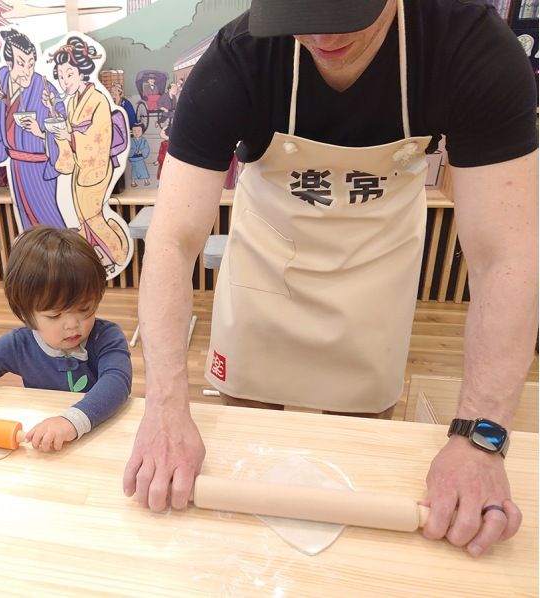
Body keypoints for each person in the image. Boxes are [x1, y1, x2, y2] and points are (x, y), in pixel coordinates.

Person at [123, 0, 538, 560]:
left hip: (375, 285)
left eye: (343, 11)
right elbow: (172, 242)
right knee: (245, 472)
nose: (319, 35)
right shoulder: (238, 58)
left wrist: (481, 439)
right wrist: (165, 406)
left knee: (365, 476)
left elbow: (507, 256)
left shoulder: (467, 47)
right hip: (265, 281)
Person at [0, 226, 132, 452]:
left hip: (97, 437)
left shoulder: (106, 337)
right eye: (55, 315)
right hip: (41, 438)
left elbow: (116, 383)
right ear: (25, 314)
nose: (72, 324)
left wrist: (70, 421)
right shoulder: (20, 344)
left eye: (85, 309)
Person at [47, 35, 131, 273]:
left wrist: (70, 136)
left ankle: (118, 252)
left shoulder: (98, 99)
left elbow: (99, 137)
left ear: (82, 72)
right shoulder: (74, 102)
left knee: (92, 216)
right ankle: (99, 257)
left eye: (69, 74)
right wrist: (65, 134)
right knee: (83, 217)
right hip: (81, 166)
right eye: (61, 76)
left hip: (95, 167)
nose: (65, 81)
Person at [0, 28, 67, 231]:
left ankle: (63, 259)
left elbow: (62, 120)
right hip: (16, 165)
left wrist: (41, 129)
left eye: (31, 64)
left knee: (48, 217)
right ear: (9, 63)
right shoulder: (0, 83)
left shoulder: (44, 86)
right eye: (21, 63)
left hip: (40, 165)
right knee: (27, 222)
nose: (27, 70)